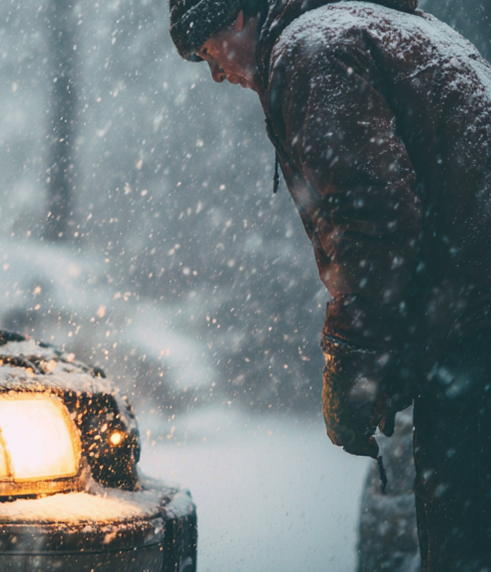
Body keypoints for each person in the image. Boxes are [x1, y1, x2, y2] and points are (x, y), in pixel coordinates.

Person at [167, 0, 491, 569]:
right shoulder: (376, 28)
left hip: (475, 337)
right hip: (470, 318)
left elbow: (373, 223)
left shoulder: (312, 51)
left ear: (239, 16)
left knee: (464, 547)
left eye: (207, 51)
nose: (216, 74)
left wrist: (354, 365)